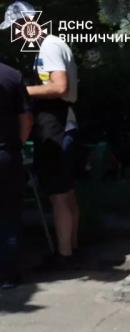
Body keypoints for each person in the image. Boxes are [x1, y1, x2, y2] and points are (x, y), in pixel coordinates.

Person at [1, 1, 82, 269]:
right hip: (62, 124)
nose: (15, 32)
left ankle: (64, 255)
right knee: (67, 193)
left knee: (58, 195)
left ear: (27, 22)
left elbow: (59, 86)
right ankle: (71, 247)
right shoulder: (53, 44)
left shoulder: (48, 46)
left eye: (16, 27)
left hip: (55, 127)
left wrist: (21, 93)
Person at [0, 60, 33, 289]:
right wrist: (16, 144)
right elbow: (26, 119)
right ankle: (8, 276)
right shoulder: (11, 75)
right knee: (9, 215)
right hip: (6, 154)